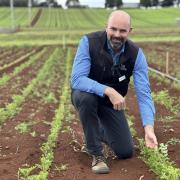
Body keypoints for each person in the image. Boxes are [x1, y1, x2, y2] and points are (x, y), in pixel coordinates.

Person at [70, 10, 158, 174]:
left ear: (130, 31)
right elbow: (76, 79)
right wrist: (108, 90)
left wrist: (149, 129)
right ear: (106, 27)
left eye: (123, 31)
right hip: (86, 96)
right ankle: (96, 153)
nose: (117, 34)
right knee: (86, 98)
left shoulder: (136, 55)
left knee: (125, 151)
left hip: (110, 104)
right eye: (113, 29)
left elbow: (144, 94)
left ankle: (95, 131)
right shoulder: (89, 42)